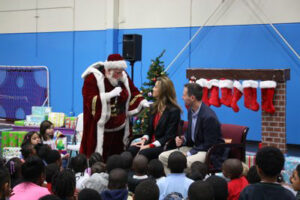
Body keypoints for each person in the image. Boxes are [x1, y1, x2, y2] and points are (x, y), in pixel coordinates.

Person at [80, 54, 149, 160]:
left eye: (122, 71)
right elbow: (89, 100)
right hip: (100, 129)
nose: (121, 74)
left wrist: (142, 101)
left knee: (118, 157)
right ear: (108, 70)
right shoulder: (93, 78)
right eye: (118, 72)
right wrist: (108, 95)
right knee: (99, 158)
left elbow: (133, 90)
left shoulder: (123, 75)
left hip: (119, 128)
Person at [159, 83, 224, 171]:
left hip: (206, 151)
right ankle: (174, 182)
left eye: (184, 95)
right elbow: (192, 133)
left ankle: (184, 183)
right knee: (162, 157)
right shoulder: (191, 111)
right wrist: (183, 139)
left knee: (184, 162)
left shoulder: (209, 117)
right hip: (194, 147)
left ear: (192, 98)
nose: (182, 98)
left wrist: (190, 153)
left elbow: (209, 144)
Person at [128, 76, 181, 160]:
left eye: (155, 87)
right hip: (151, 142)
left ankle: (142, 172)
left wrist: (149, 146)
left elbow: (168, 136)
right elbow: (149, 130)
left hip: (163, 145)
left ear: (163, 91)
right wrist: (143, 140)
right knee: (132, 149)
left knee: (143, 153)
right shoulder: (153, 107)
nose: (153, 89)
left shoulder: (174, 111)